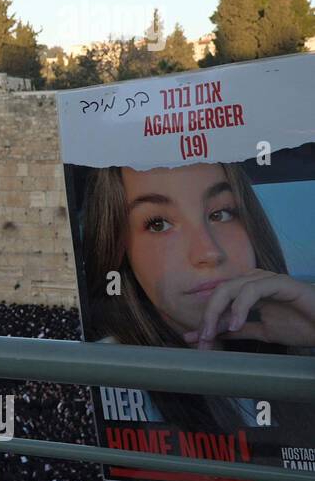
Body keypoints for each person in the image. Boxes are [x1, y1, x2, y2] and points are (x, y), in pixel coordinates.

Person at [81, 161, 315, 429]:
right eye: (158, 224)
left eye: (221, 214)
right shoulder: (99, 378)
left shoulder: (294, 350)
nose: (208, 252)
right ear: (119, 250)